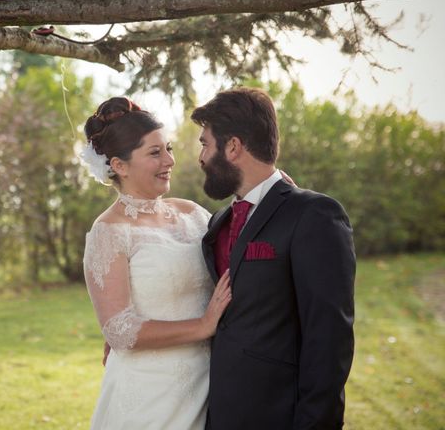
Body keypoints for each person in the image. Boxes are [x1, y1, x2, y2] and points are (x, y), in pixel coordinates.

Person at [191, 87, 356, 430]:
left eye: (205, 143)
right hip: (219, 414)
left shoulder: (313, 215)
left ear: (233, 147)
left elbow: (328, 340)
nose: (201, 156)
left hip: (279, 417)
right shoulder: (219, 223)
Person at [80, 97, 231, 429]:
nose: (170, 160)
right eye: (154, 153)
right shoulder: (108, 233)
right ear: (119, 165)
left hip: (210, 384)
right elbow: (120, 330)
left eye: (169, 148)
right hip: (150, 397)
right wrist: (203, 326)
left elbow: (239, 250)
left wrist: (277, 192)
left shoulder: (193, 213)